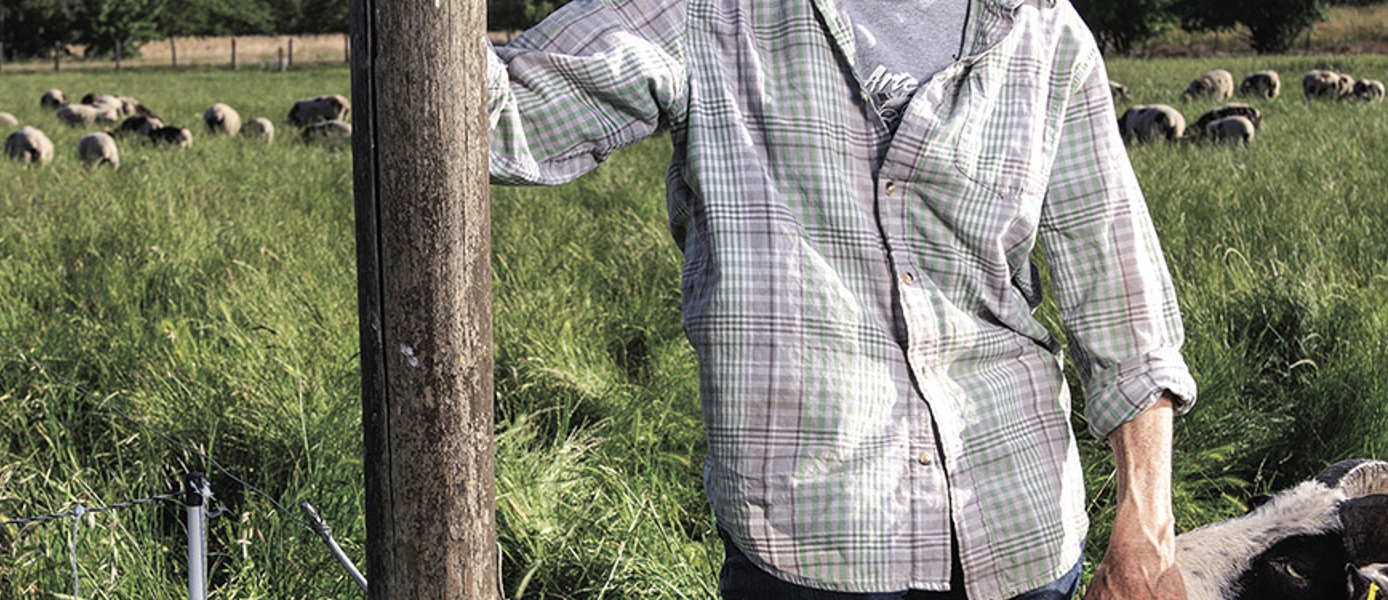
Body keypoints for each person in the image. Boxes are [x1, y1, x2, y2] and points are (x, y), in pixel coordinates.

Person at [484, 0, 1198, 598]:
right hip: (815, 549)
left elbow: (1122, 302)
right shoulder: (708, 12)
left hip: (1022, 539)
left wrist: (1147, 517)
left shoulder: (1042, 29)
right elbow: (497, 112)